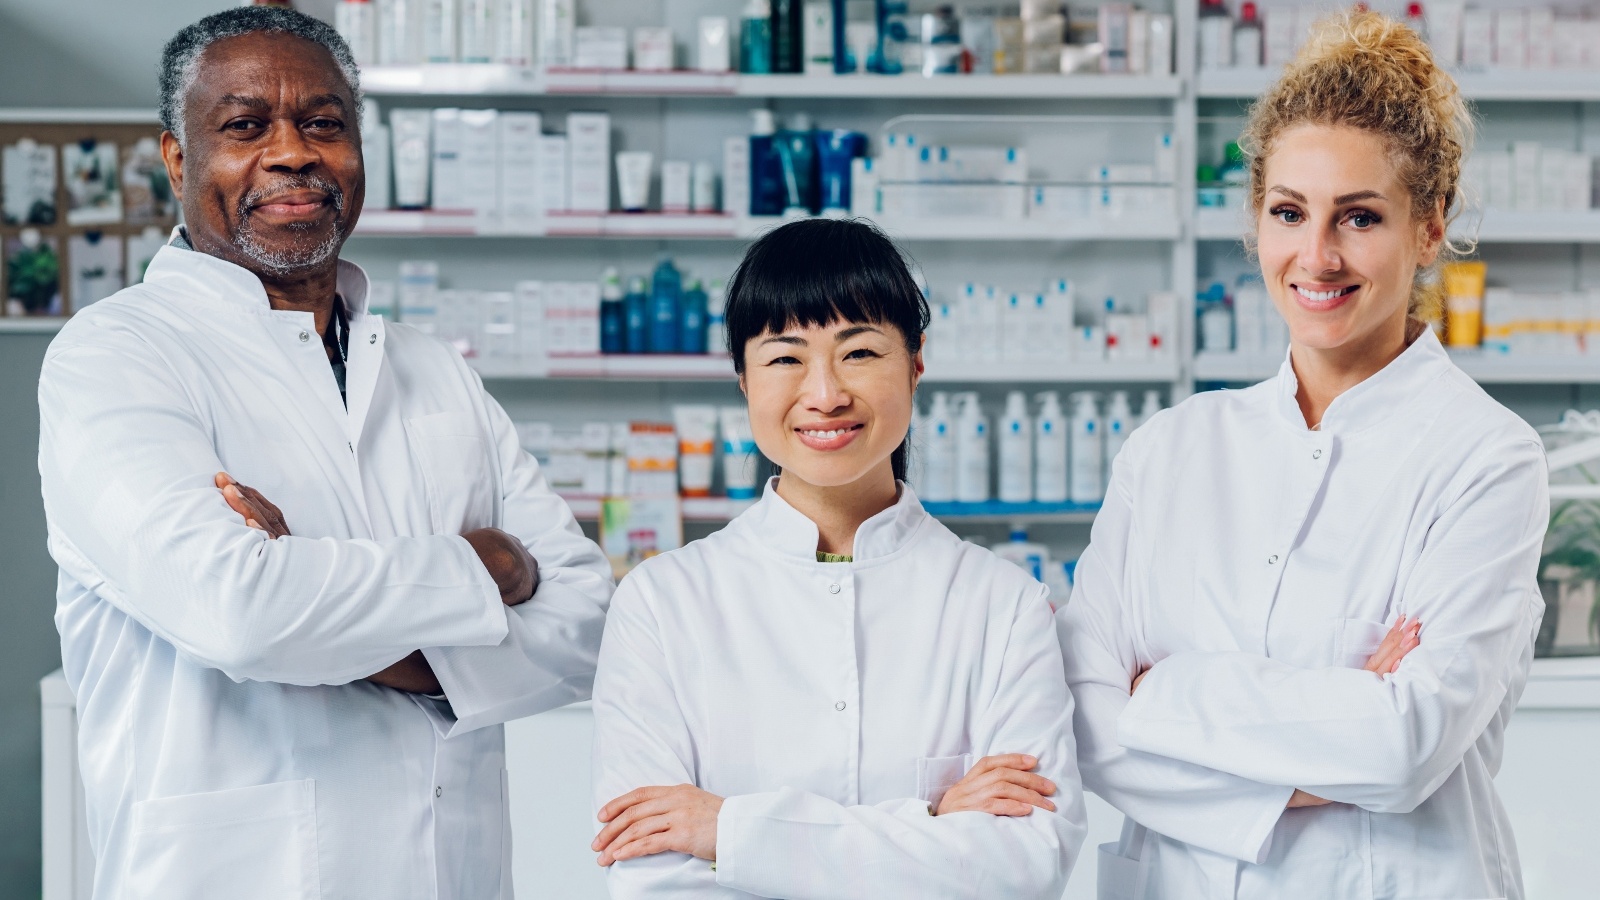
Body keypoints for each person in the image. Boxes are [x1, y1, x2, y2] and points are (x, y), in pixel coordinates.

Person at [37, 9, 613, 899]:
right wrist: (486, 567)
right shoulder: (114, 357)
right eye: (244, 126)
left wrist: (316, 599)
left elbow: (581, 619)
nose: (293, 152)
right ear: (178, 160)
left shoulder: (434, 372)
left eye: (323, 122)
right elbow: (241, 612)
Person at [1058, 11, 1549, 900]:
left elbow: (1403, 750)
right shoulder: (1168, 453)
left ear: (1430, 228)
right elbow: (1091, 727)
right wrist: (1331, 732)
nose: (1315, 256)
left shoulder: (1487, 458)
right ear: (1257, 220)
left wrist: (1165, 695)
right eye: (1290, 212)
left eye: (1359, 217)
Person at [588, 218, 1086, 898]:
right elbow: (651, 878)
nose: (824, 394)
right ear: (742, 379)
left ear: (915, 365)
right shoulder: (662, 603)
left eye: (858, 353)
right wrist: (934, 821)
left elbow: (1024, 865)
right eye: (785, 358)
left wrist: (724, 829)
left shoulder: (1002, 605)